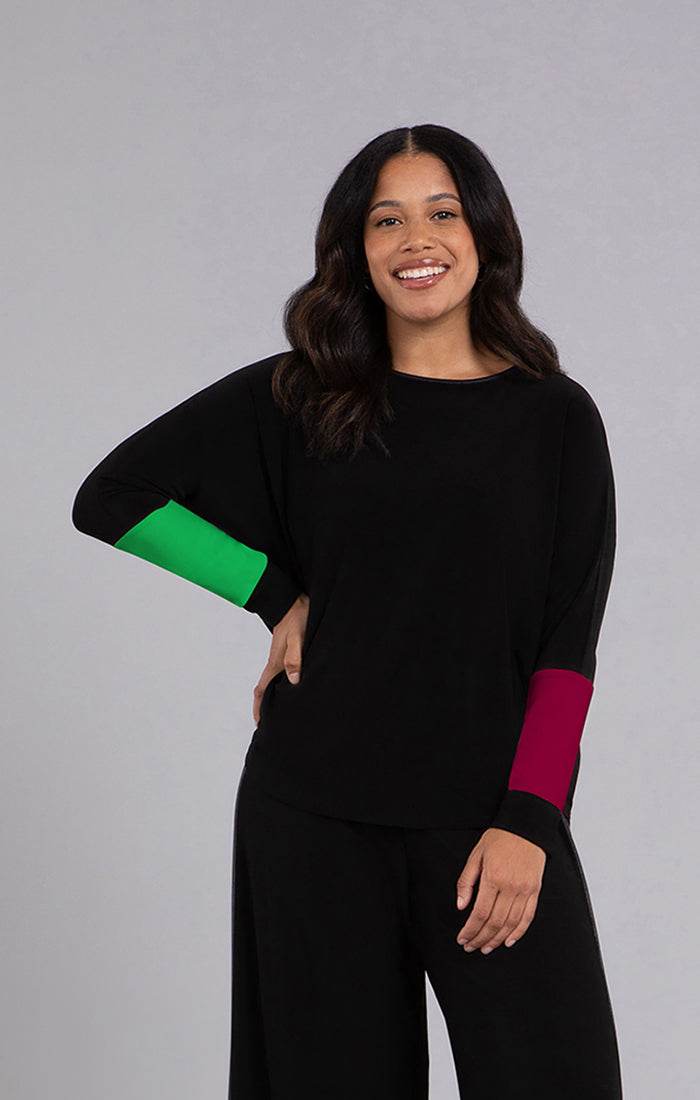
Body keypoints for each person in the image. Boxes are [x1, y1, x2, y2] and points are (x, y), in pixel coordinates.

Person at [71, 124, 624, 1098]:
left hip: (485, 821)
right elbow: (111, 495)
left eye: (442, 212)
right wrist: (275, 593)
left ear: (485, 232)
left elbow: (565, 649)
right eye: (386, 220)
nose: (417, 240)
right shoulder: (301, 396)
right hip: (312, 816)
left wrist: (530, 820)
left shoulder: (554, 417)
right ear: (357, 249)